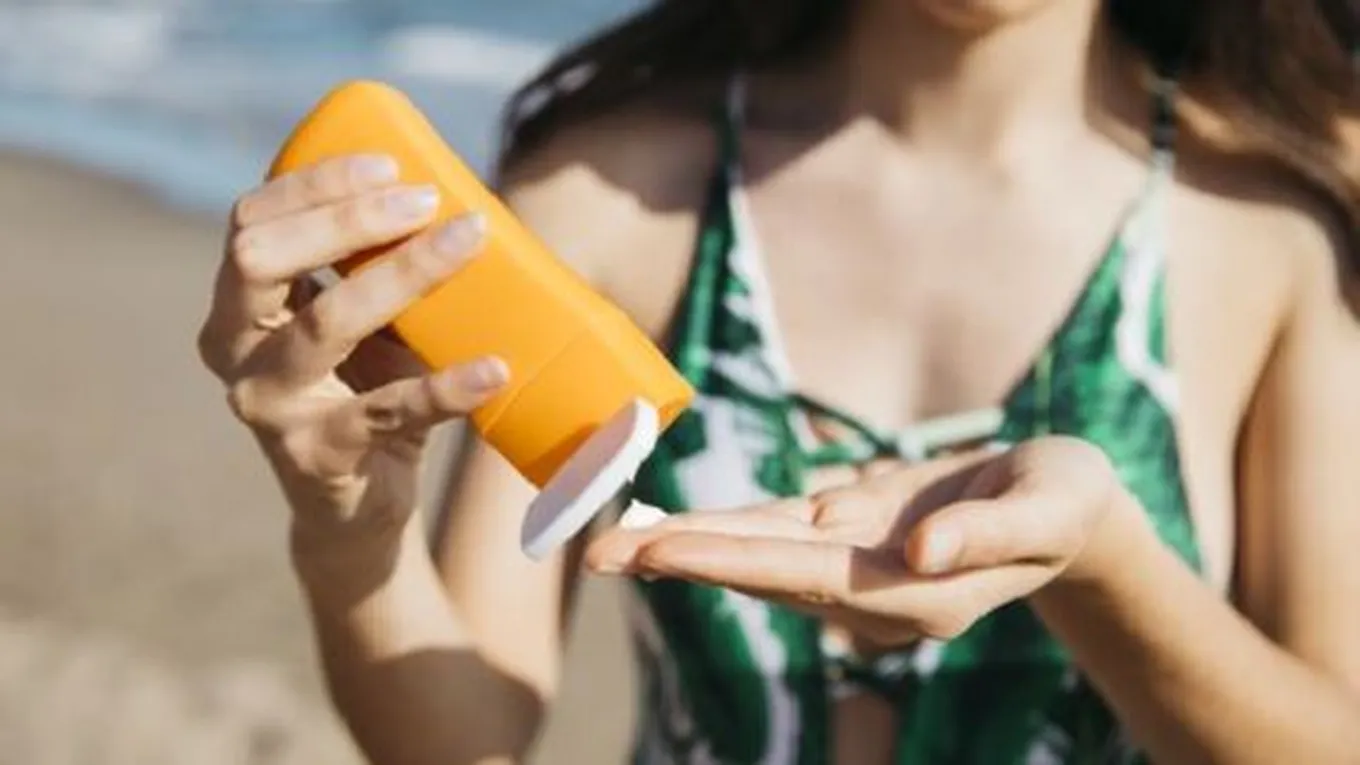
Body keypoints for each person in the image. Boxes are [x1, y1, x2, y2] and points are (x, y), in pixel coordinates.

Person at [196, 0, 1360, 762]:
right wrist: (350, 530)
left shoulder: (1270, 239)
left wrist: (1101, 567)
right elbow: (463, 743)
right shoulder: (611, 200)